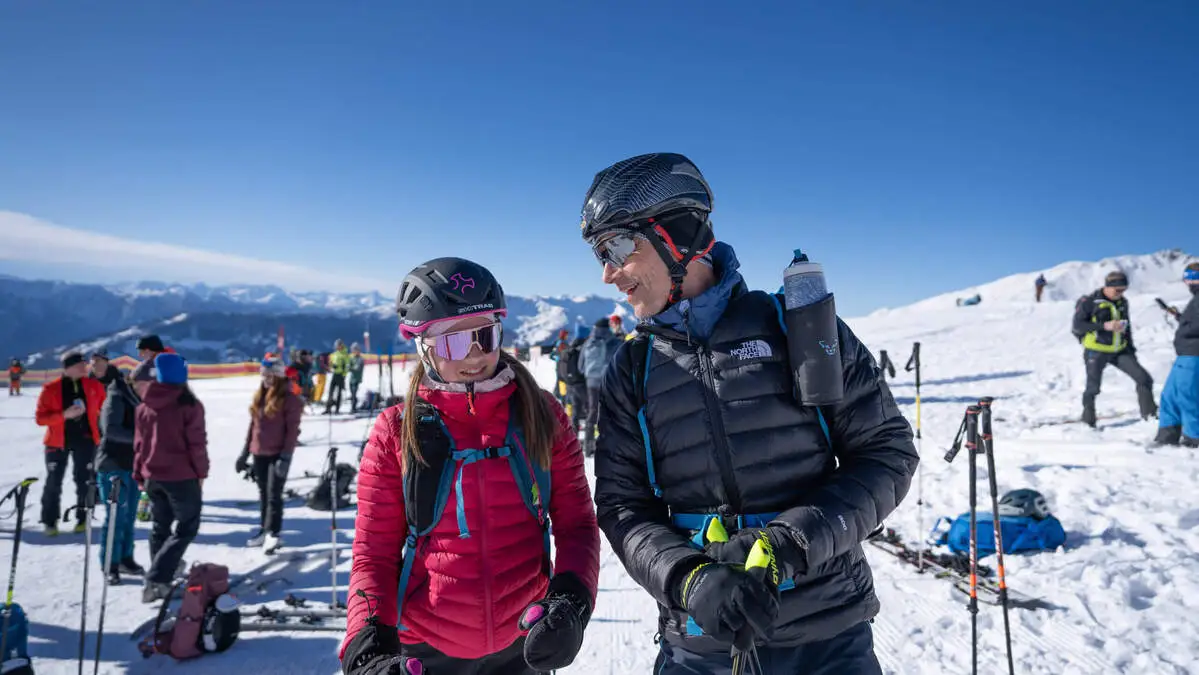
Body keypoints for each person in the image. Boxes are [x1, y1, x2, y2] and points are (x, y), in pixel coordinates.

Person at [579, 152, 919, 674]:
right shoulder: (633, 367)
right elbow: (623, 505)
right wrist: (687, 578)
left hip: (826, 634)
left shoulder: (795, 329)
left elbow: (886, 452)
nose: (607, 273)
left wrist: (788, 543)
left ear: (678, 234)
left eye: (618, 246)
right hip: (699, 641)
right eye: (599, 252)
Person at [340, 257, 600, 675]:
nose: (476, 354)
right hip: (424, 651)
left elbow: (577, 525)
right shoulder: (395, 432)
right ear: (422, 346)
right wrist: (367, 644)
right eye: (453, 342)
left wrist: (571, 600)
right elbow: (374, 554)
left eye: (485, 334)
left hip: (524, 642)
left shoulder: (542, 415)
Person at [132, 353, 208, 602]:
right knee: (187, 527)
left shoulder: (144, 406)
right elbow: (196, 443)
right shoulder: (189, 406)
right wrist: (201, 472)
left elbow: (139, 445)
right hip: (181, 476)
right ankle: (157, 577)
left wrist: (138, 472)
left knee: (160, 526)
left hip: (153, 475)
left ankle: (159, 580)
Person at [1072, 271, 1157, 426]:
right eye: (1117, 290)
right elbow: (1078, 326)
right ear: (1107, 286)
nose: (1120, 293)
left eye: (1123, 290)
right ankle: (1088, 421)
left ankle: (1150, 416)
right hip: (1096, 351)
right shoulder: (1089, 302)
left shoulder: (1123, 302)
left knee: (1144, 379)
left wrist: (1131, 349)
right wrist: (1104, 326)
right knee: (1093, 387)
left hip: (1120, 350)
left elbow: (1127, 326)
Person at [235, 357, 303, 551]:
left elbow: (292, 432)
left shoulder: (290, 400)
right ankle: (264, 530)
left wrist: (286, 457)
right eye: (263, 375)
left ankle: (274, 533)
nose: (265, 379)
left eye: (269, 375)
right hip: (259, 453)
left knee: (274, 494)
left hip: (278, 454)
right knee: (264, 494)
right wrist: (244, 453)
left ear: (279, 376)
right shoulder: (261, 397)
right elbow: (253, 427)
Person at [35, 351, 106, 535]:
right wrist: (63, 416)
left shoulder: (93, 385)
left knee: (85, 481)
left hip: (86, 441)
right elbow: (40, 419)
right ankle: (50, 522)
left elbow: (105, 407)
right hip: (57, 442)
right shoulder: (51, 389)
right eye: (80, 364)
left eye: (85, 364)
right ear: (69, 367)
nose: (85, 367)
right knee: (54, 482)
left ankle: (83, 519)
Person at [96, 360, 146, 584]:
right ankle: (110, 564)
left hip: (133, 465)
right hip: (112, 464)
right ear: (135, 382)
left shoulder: (140, 398)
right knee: (116, 516)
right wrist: (141, 437)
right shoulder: (116, 396)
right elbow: (111, 430)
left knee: (129, 515)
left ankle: (126, 557)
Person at [1154, 262, 1199, 447]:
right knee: (1170, 395)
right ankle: (1167, 435)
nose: (1188, 283)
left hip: (1194, 353)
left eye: (1191, 278)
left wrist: (1185, 328)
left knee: (1187, 396)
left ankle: (1194, 438)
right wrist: (1179, 317)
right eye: (1187, 279)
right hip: (1185, 353)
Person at [576, 317, 623, 456]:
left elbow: (580, 366)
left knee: (592, 412)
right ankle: (609, 445)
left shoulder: (588, 342)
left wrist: (589, 374)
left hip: (591, 382)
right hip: (609, 381)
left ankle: (589, 446)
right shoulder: (615, 341)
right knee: (609, 412)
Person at [326, 340, 351, 414]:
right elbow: (331, 363)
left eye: (338, 345)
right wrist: (331, 365)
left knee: (339, 393)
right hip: (334, 374)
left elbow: (347, 366)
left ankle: (337, 409)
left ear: (341, 345)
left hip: (340, 375)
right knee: (331, 392)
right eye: (336, 345)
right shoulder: (334, 354)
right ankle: (328, 408)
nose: (337, 347)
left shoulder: (345, 354)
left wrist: (344, 375)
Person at [348, 343, 366, 413]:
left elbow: (357, 368)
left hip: (357, 379)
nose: (354, 351)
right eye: (353, 350)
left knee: (354, 394)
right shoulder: (352, 358)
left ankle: (353, 408)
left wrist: (350, 368)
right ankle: (353, 407)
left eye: (355, 350)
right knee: (352, 394)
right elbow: (349, 367)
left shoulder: (360, 359)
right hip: (351, 379)